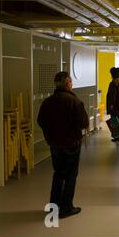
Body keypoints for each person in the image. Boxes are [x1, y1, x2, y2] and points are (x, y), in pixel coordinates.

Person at [37, 71, 89, 219]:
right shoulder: (74, 102)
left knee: (58, 174)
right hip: (71, 143)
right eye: (71, 82)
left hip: (54, 144)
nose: (72, 85)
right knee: (71, 175)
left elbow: (40, 121)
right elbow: (84, 123)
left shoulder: (48, 102)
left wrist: (50, 135)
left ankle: (53, 206)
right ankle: (66, 208)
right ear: (68, 84)